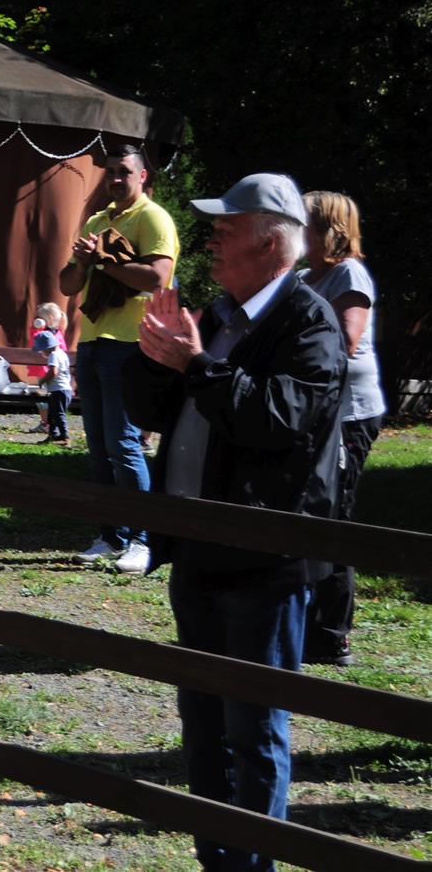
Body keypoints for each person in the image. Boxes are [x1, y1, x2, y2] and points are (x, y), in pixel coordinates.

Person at [124, 173, 344, 871]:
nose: (211, 241)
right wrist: (155, 360)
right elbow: (152, 411)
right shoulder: (218, 314)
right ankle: (217, 861)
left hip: (262, 559)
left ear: (271, 246)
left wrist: (194, 364)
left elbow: (276, 420)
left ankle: (252, 866)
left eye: (226, 229)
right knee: (203, 727)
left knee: (253, 731)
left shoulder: (309, 323)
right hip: (197, 549)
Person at [59, 144, 179, 575]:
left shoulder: (153, 218)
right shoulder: (97, 221)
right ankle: (110, 535)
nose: (115, 179)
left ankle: (144, 540)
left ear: (143, 176)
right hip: (92, 341)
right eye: (110, 171)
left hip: (130, 344)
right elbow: (67, 283)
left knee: (124, 444)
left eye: (124, 172)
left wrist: (104, 262)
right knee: (98, 447)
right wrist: (83, 263)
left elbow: (157, 277)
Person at [300, 191, 385, 667]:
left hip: (350, 414)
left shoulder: (349, 273)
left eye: (302, 220)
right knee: (310, 510)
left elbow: (347, 340)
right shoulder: (303, 277)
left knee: (334, 516)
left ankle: (333, 636)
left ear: (328, 229)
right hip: (316, 412)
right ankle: (307, 621)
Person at [27, 302, 68, 433]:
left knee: (45, 398)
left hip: (46, 370)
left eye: (39, 317)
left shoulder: (50, 334)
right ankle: (47, 422)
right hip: (43, 369)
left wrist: (38, 328)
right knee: (45, 398)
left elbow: (37, 340)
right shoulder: (51, 333)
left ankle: (47, 423)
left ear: (49, 318)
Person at [33, 330, 71, 444]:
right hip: (63, 389)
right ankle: (53, 435)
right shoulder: (62, 353)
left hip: (59, 389)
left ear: (47, 348)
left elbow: (53, 372)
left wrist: (42, 381)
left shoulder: (53, 355)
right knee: (52, 415)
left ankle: (65, 437)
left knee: (58, 414)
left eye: (42, 350)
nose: (41, 353)